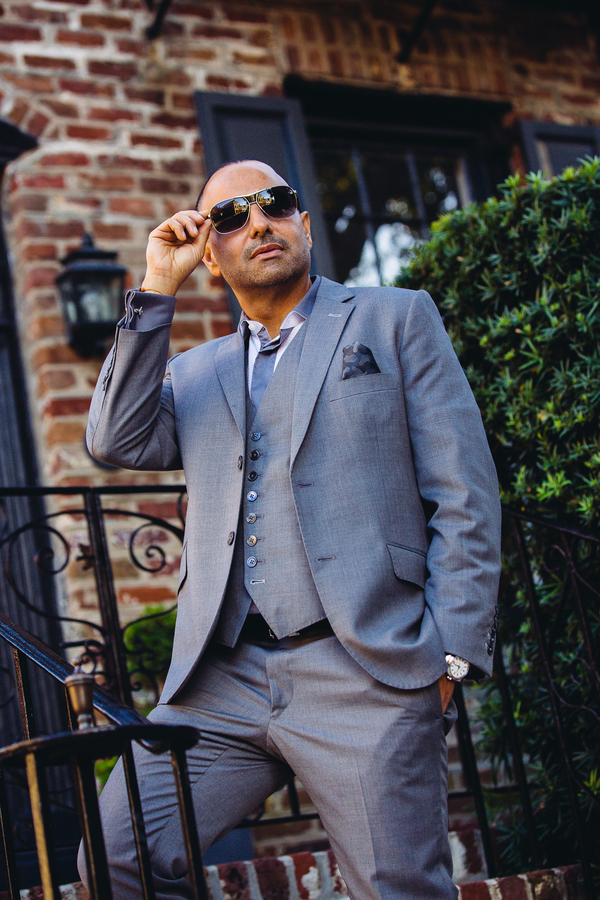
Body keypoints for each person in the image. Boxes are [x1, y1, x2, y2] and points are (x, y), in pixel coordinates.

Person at [83, 158, 501, 900]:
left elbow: (464, 493)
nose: (259, 222)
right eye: (231, 216)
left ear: (304, 223)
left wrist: (450, 661)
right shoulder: (195, 372)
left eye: (275, 203)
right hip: (222, 681)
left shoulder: (394, 317)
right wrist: (154, 290)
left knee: (396, 888)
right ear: (209, 254)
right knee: (116, 860)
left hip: (365, 669)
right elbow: (115, 440)